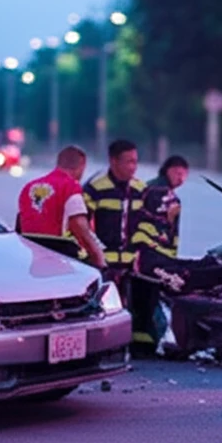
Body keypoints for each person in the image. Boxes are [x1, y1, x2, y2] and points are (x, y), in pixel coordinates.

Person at [82, 140, 151, 353]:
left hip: (132, 262)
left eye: (135, 162)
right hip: (103, 263)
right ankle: (104, 349)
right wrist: (95, 256)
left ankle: (139, 346)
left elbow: (146, 224)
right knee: (104, 309)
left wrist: (139, 252)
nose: (133, 167)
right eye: (128, 161)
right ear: (113, 161)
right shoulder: (95, 188)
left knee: (140, 302)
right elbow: (83, 226)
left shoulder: (140, 189)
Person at [128, 155, 190, 354]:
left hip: (148, 257)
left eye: (184, 174)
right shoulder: (162, 194)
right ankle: (144, 345)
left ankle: (140, 342)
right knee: (147, 301)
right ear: (167, 170)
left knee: (141, 301)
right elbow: (160, 228)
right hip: (153, 259)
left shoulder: (152, 188)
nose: (180, 178)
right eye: (177, 173)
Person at [16, 145, 106, 269]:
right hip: (58, 263)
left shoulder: (28, 188)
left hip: (32, 263)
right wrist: (99, 259)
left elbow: (20, 225)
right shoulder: (70, 188)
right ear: (82, 166)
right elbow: (81, 230)